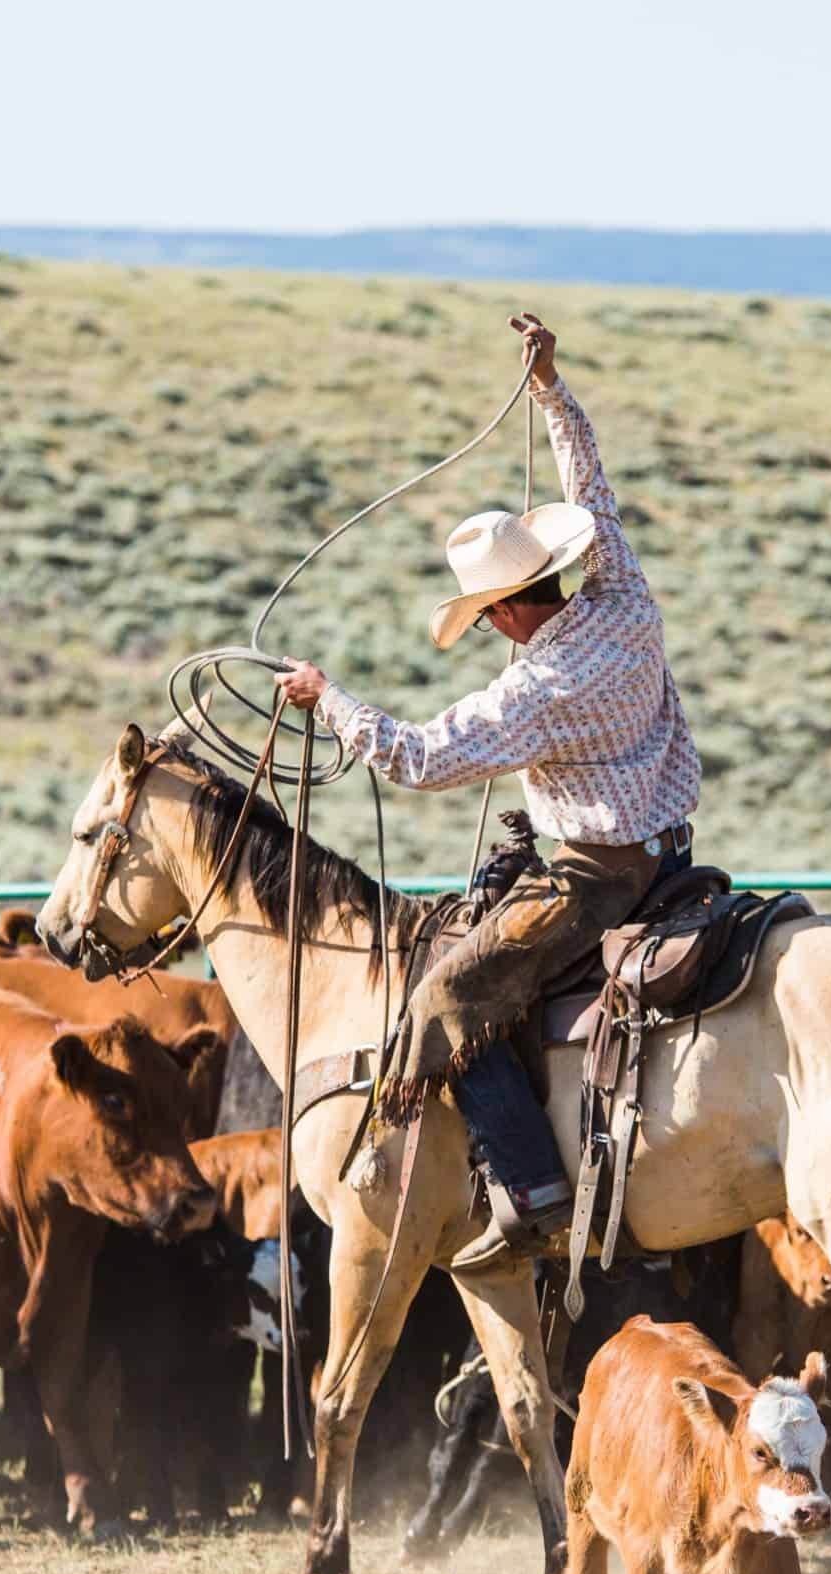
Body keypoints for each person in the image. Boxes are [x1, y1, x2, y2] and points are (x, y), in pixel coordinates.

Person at [276, 314, 701, 1267]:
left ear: (509, 607)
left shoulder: (536, 691)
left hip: (596, 881)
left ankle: (532, 1186)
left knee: (446, 996)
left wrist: (326, 695)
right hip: (673, 859)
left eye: (485, 618)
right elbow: (590, 485)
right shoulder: (624, 596)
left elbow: (416, 756)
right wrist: (551, 387)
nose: (487, 632)